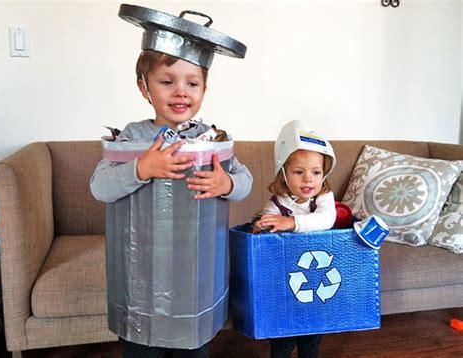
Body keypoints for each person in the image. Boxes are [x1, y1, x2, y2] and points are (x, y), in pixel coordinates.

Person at [90, 7, 252, 357]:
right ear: (144, 87)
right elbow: (99, 187)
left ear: (204, 89)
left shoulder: (212, 139)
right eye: (167, 81)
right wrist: (141, 168)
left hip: (193, 281)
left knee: (192, 350)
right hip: (140, 276)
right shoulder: (132, 137)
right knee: (141, 348)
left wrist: (225, 184)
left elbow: (245, 180)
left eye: (192, 83)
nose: (181, 92)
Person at [253, 120, 337, 358]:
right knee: (282, 339)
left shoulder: (323, 197)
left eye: (316, 172)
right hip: (286, 281)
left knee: (311, 338)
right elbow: (264, 228)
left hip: (316, 279)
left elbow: (326, 219)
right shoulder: (277, 202)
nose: (308, 179)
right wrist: (261, 225)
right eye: (299, 172)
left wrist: (292, 223)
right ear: (284, 173)